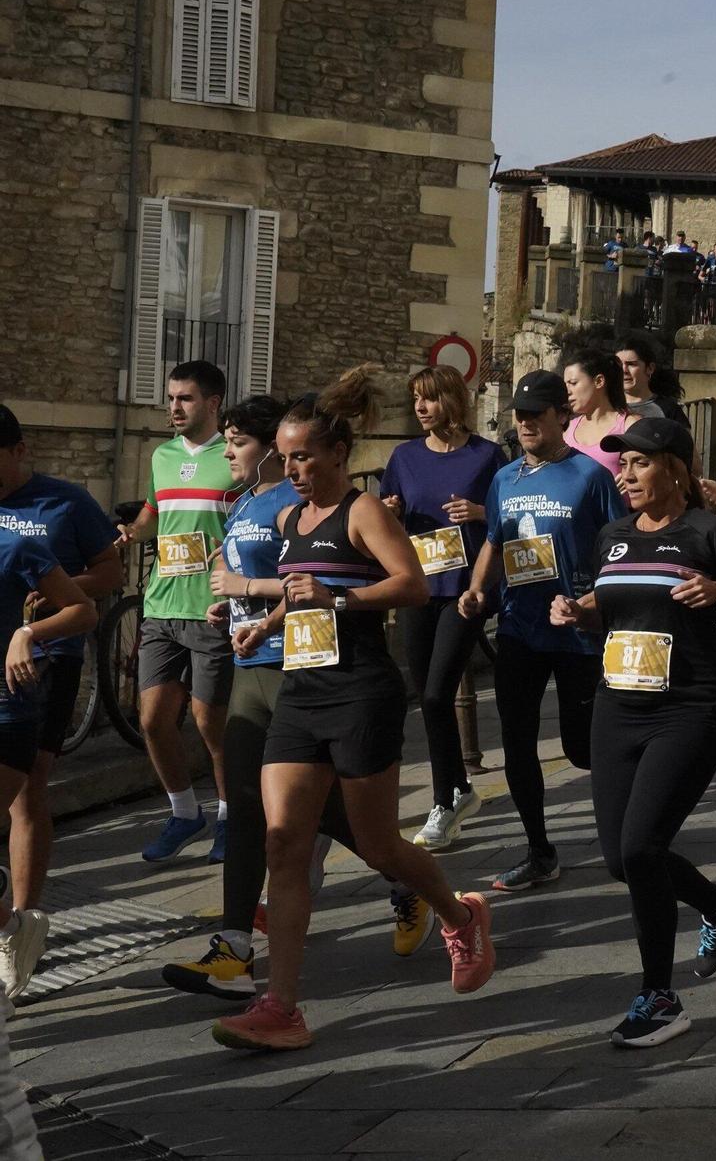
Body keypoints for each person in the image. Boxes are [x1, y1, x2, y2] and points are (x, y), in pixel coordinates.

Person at [214, 368, 495, 1051]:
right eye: (286, 458)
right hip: (301, 691)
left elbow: (413, 585)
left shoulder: (364, 510)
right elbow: (301, 592)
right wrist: (264, 623)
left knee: (377, 844)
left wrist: (337, 600)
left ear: (338, 453)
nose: (293, 470)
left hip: (361, 691)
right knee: (284, 842)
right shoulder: (289, 517)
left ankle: (459, 915)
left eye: (303, 457)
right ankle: (282, 1007)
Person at [163, 395, 421, 1001]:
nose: (228, 452)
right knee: (249, 807)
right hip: (255, 663)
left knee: (329, 813)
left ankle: (411, 884)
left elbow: (350, 583)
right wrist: (246, 612)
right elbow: (289, 586)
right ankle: (236, 951)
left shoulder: (310, 503)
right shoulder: (250, 505)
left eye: (239, 443)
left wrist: (256, 588)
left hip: (306, 670)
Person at [552, 417, 716, 1047]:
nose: (625, 476)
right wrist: (576, 611)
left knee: (643, 846)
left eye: (639, 464)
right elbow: (610, 609)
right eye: (622, 465)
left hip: (689, 707)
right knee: (620, 859)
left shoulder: (710, 530)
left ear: (675, 468)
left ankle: (659, 997)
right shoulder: (613, 536)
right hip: (616, 706)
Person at [458, 371, 625, 892]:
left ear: (562, 417)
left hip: (577, 631)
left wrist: (593, 603)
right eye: (521, 415)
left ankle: (637, 809)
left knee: (581, 748)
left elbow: (618, 547)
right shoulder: (505, 479)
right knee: (517, 741)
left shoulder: (590, 476)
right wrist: (477, 589)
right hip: (520, 627)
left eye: (537, 414)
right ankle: (539, 851)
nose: (526, 423)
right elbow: (494, 540)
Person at [0, 404, 119, 991]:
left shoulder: (64, 501)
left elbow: (109, 574)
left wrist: (50, 597)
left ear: (19, 451)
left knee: (30, 788)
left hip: (49, 657)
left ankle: (21, 925)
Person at [379, 367, 504, 849]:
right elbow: (386, 518)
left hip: (466, 589)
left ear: (452, 400)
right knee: (427, 694)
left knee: (436, 696)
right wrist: (390, 513)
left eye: (429, 398)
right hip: (417, 586)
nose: (420, 407)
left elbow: (514, 515)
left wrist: (480, 512)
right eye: (416, 398)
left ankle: (444, 801)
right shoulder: (404, 457)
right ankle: (460, 790)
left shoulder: (486, 456)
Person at [120, 360, 235, 864]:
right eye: (171, 398)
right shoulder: (162, 455)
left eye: (184, 398)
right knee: (151, 720)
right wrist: (133, 532)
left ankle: (232, 816)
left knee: (211, 723)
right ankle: (185, 813)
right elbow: (154, 512)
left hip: (211, 609)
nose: (174, 407)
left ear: (212, 403)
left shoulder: (233, 455)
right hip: (161, 604)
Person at [0, 514, 95, 990]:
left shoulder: (14, 546)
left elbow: (83, 611)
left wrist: (28, 634)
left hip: (5, 710)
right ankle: (11, 928)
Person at [562, 349, 638, 477]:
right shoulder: (567, 429)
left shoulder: (630, 426)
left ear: (599, 381)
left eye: (573, 383)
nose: (567, 391)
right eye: (565, 385)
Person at [616, 331, 687, 425]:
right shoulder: (606, 406)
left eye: (631, 364)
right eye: (619, 365)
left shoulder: (668, 410)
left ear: (650, 368)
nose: (624, 370)